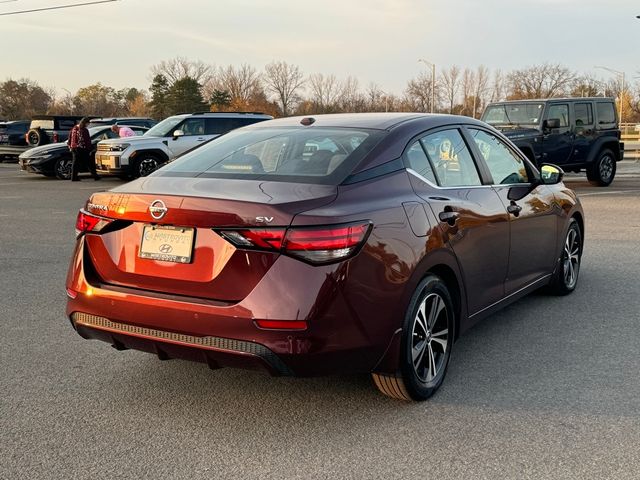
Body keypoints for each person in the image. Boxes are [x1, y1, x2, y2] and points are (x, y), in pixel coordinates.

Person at [69, 117, 99, 181]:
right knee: (89, 163)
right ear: (85, 123)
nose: (88, 125)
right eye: (88, 124)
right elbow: (87, 140)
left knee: (75, 163)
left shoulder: (74, 128)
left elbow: (70, 137)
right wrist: (90, 148)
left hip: (74, 148)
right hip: (82, 148)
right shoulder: (84, 130)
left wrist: (69, 145)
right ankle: (95, 176)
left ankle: (73, 177)